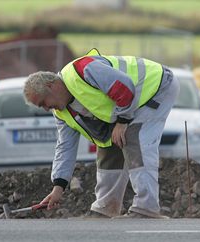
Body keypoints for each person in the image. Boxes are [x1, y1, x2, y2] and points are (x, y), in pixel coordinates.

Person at [23, 49, 179, 218]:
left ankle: (146, 209)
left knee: (134, 140)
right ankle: (105, 208)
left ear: (50, 86)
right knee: (108, 147)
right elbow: (65, 147)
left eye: (43, 103)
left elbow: (124, 86)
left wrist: (122, 121)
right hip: (129, 104)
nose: (46, 108)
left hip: (156, 85)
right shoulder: (61, 112)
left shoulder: (82, 70)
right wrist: (58, 187)